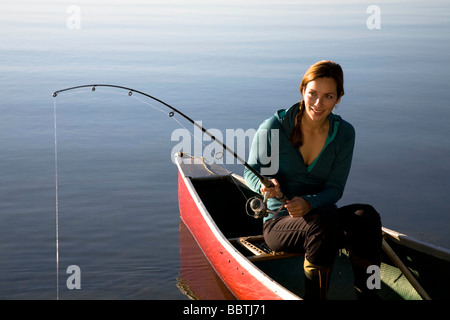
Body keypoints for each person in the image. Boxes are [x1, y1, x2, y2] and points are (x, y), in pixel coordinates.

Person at [244, 60, 382, 300]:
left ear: (338, 98)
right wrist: (265, 184)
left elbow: (335, 188)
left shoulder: (344, 133)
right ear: (303, 91)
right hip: (279, 223)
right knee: (326, 220)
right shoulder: (274, 128)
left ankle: (371, 293)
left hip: (324, 220)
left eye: (328, 96)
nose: (318, 104)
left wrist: (309, 202)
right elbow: (252, 172)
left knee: (366, 216)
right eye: (313, 94)